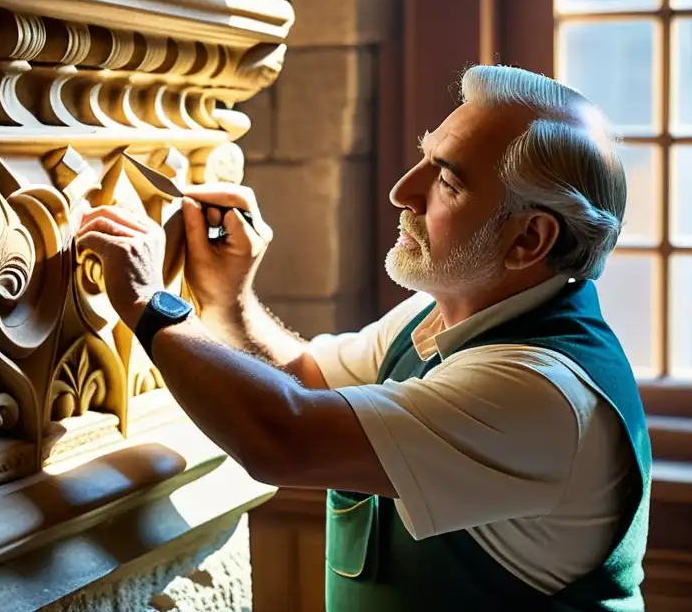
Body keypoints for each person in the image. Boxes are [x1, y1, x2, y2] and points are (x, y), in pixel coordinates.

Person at [75, 65, 650, 611]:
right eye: (425, 158)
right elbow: (305, 380)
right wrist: (232, 301)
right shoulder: (444, 312)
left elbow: (285, 437)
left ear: (528, 239)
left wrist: (151, 303)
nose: (404, 190)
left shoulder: (543, 395)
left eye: (446, 181)